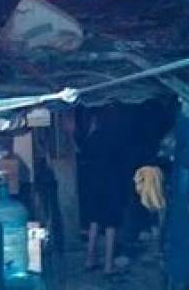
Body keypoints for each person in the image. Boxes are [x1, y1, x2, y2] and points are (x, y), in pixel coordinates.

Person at [75, 104, 134, 278]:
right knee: (110, 224)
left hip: (94, 184)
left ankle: (90, 259)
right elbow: (124, 163)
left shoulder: (93, 138)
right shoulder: (119, 138)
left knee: (94, 221)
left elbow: (84, 155)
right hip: (113, 185)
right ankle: (108, 265)